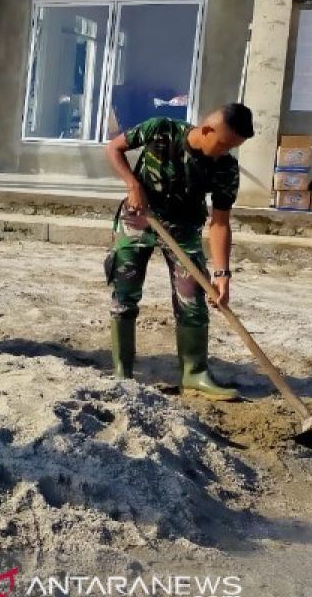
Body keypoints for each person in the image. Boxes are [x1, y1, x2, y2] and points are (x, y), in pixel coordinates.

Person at [103, 103, 255, 400]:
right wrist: (133, 184)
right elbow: (113, 148)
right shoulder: (161, 129)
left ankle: (194, 373)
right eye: (224, 144)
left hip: (184, 228)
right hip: (139, 217)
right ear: (208, 129)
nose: (225, 152)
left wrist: (223, 274)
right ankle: (122, 371)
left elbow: (220, 222)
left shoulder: (225, 168)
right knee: (124, 294)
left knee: (193, 298)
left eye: (233, 147)